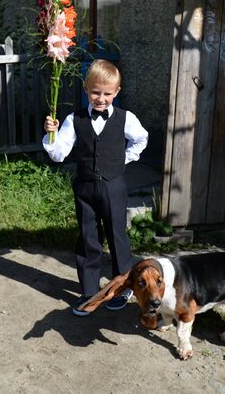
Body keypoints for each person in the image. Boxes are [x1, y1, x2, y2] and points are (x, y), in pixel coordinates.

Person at [43, 60, 148, 316]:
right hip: (85, 187)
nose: (101, 99)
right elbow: (59, 155)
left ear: (117, 92)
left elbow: (141, 139)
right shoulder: (73, 119)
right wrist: (51, 135)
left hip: (114, 186)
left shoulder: (126, 118)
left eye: (107, 94)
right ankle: (89, 291)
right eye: (95, 92)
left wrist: (122, 159)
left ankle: (121, 288)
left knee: (117, 236)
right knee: (88, 238)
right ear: (86, 89)